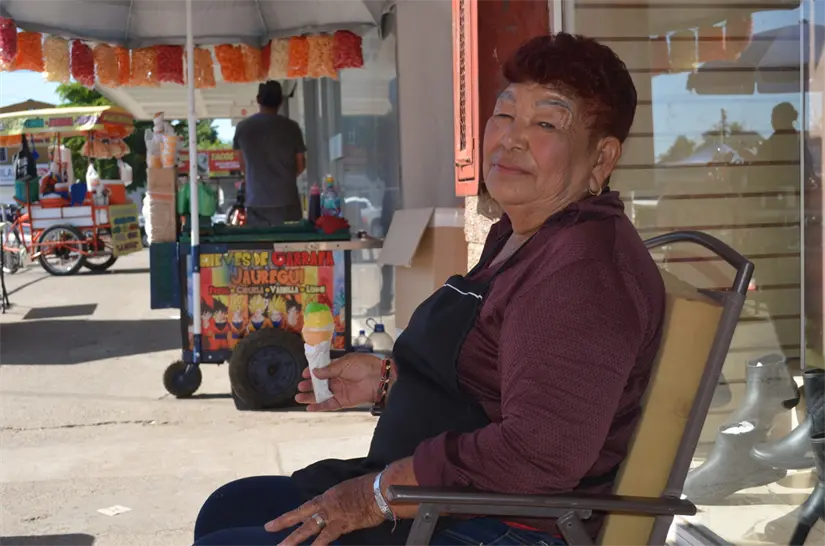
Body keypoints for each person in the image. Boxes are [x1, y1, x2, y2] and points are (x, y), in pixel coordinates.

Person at [193, 33, 666, 546]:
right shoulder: (521, 234)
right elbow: (492, 383)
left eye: (546, 124)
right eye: (505, 115)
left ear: (601, 159)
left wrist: (376, 493)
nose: (511, 139)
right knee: (229, 507)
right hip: (448, 502)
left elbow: (538, 453)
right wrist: (390, 381)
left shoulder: (583, 273)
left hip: (502, 524)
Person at [233, 81, 307, 227]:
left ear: (258, 99)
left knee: (262, 247)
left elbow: (243, 166)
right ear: (281, 101)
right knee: (290, 247)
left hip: (256, 202)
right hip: (287, 200)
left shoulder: (243, 128)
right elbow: (301, 165)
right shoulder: (292, 128)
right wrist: (283, 177)